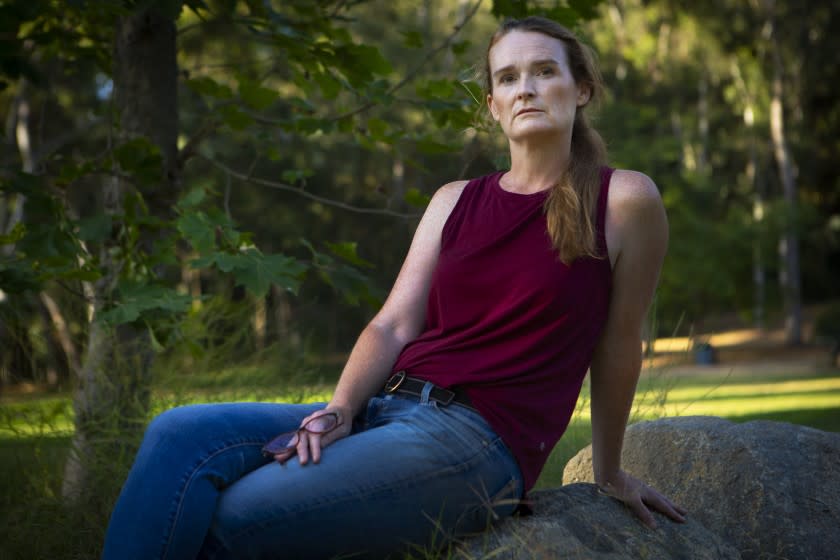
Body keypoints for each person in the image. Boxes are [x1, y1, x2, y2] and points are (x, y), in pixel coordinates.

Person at [102, 15, 686, 560]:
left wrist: (608, 472)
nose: (525, 88)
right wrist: (340, 409)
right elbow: (393, 325)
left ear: (580, 90)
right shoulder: (453, 200)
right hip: (387, 407)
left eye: (544, 71)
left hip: (475, 443)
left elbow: (619, 343)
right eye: (508, 78)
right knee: (175, 434)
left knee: (235, 515)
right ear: (493, 105)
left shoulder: (624, 199)